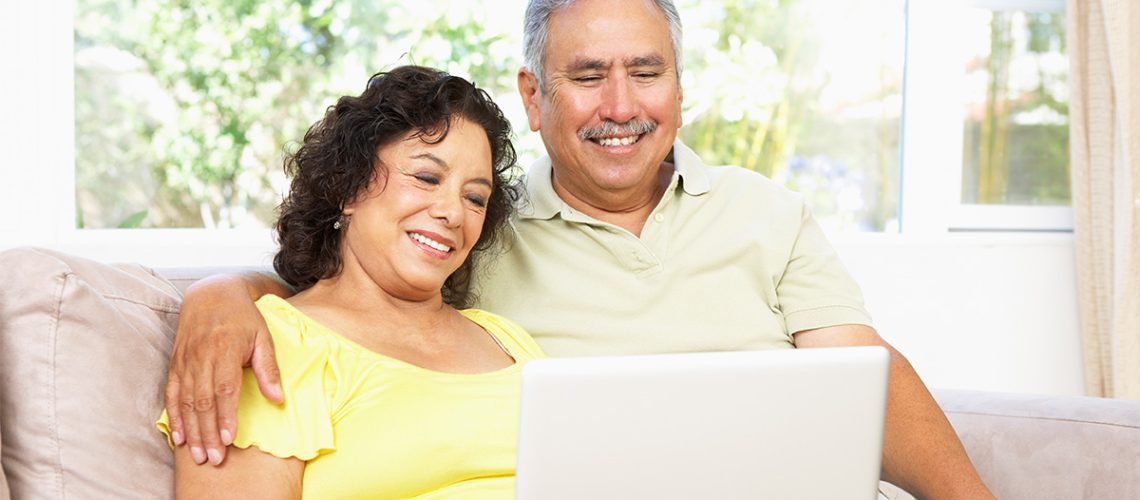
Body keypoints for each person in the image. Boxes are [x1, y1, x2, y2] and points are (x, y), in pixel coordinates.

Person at [164, 1, 994, 497]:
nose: (622, 104)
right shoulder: (487, 248)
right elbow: (344, 292)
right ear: (537, 94)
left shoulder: (763, 213)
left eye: (647, 71)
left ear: (680, 85)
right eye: (590, 74)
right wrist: (221, 296)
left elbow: (860, 373)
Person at [158, 65, 545, 498]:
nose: (453, 213)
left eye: (474, 197)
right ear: (347, 187)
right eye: (426, 178)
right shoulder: (266, 343)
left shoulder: (508, 339)